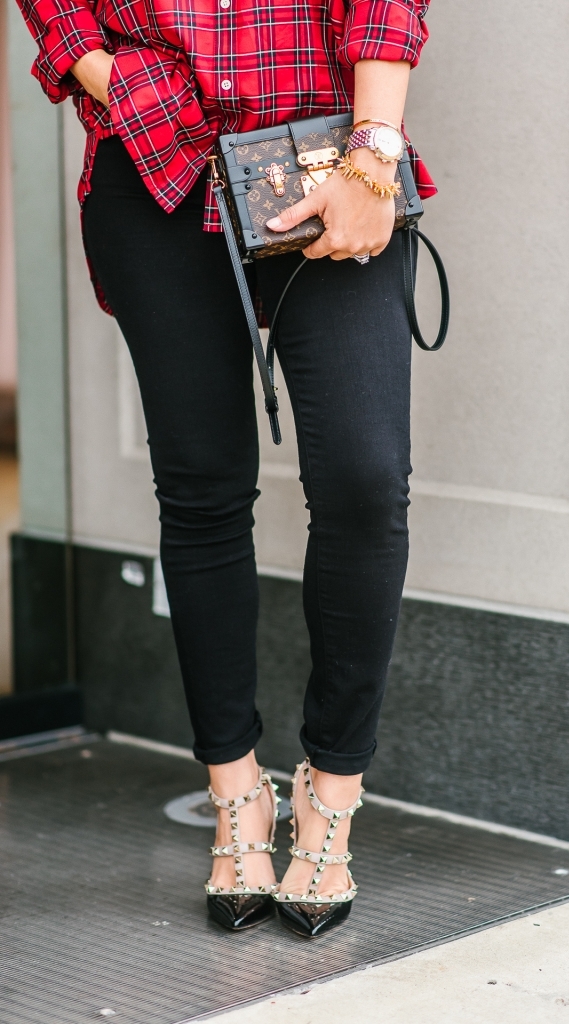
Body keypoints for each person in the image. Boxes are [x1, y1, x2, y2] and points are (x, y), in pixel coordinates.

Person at [16, 0, 436, 937]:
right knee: (203, 489)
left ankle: (330, 799)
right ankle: (236, 797)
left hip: (327, 147)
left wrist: (375, 153)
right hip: (158, 162)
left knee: (366, 482)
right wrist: (108, 76)